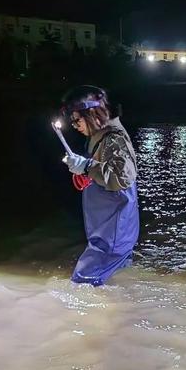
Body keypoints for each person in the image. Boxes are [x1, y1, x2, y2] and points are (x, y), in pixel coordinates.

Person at [60, 85, 139, 285]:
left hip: (112, 236)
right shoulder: (100, 137)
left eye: (77, 119)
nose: (75, 125)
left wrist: (86, 166)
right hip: (110, 232)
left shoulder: (114, 138)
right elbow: (102, 170)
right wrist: (86, 170)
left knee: (81, 283)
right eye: (72, 121)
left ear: (93, 113)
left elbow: (122, 178)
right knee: (115, 283)